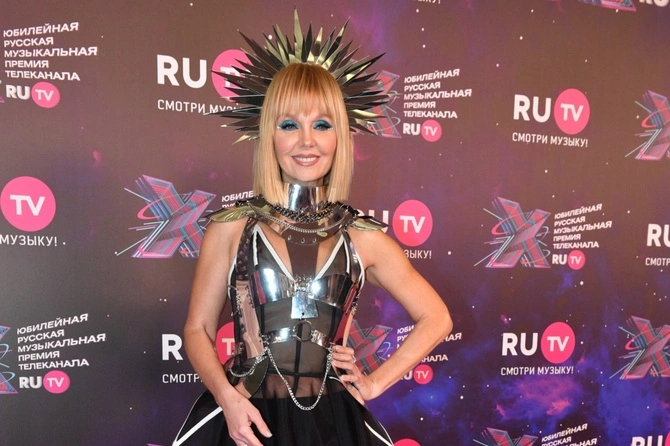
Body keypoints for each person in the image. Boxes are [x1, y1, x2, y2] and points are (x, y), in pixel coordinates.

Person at [174, 13, 452, 446]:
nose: (307, 141)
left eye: (322, 124)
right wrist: (226, 399)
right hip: (245, 416)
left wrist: (374, 384)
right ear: (269, 135)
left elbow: (436, 318)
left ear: (339, 136)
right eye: (290, 124)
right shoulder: (231, 228)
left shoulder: (363, 237)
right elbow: (197, 330)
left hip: (333, 422)